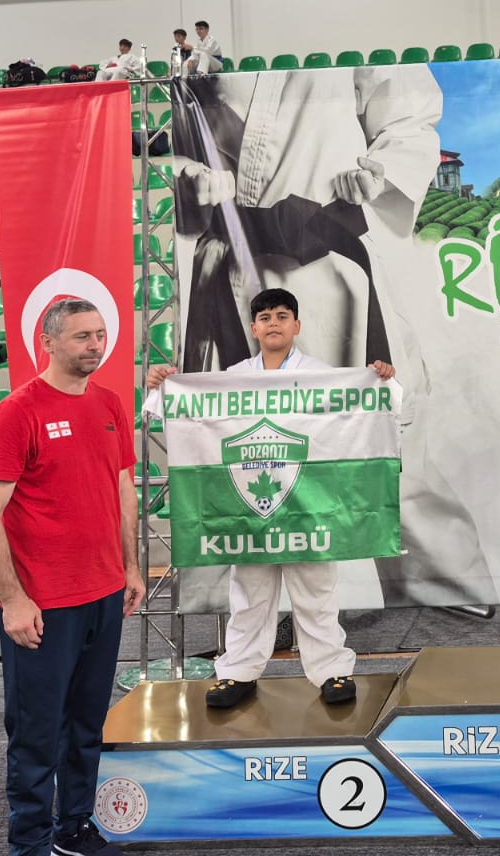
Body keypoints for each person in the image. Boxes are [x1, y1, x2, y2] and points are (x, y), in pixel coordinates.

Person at [170, 63, 493, 607]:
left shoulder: (343, 42)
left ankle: (445, 593)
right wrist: (187, 177)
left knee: (388, 442)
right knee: (236, 448)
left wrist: (381, 170)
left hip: (331, 262)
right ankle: (233, 606)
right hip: (232, 269)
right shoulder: (204, 56)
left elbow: (409, 115)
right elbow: (180, 143)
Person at [145, 288, 383, 708]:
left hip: (306, 502)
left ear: (297, 325)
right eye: (266, 317)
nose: (274, 323)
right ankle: (238, 672)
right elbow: (187, 414)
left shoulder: (320, 375)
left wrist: (378, 379)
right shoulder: (234, 377)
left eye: (282, 316)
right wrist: (166, 386)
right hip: (250, 506)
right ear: (254, 328)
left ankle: (331, 670)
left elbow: (357, 411)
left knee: (316, 593)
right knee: (249, 595)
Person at [0, 299, 143, 856]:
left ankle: (73, 828)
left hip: (104, 593)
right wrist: (14, 599)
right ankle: (29, 844)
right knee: (36, 733)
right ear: (47, 342)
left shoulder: (110, 403)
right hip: (43, 604)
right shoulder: (16, 413)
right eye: (81, 336)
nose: (95, 345)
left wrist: (130, 566)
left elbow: (121, 490)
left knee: (86, 724)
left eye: (100, 334)